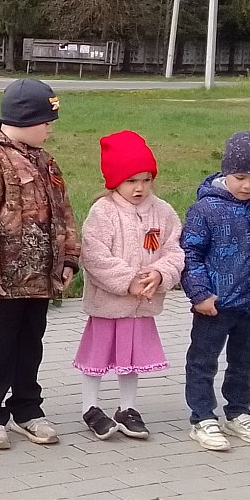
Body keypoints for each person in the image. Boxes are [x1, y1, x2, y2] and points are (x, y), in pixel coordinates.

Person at [0, 78, 80, 451]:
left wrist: (69, 257)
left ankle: (27, 408)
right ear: (24, 118)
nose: (50, 128)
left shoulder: (45, 160)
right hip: (1, 282)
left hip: (39, 278)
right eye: (46, 120)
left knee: (30, 345)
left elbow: (63, 212)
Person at [180, 130, 250, 452]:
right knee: (203, 361)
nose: (247, 186)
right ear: (226, 172)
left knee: (245, 361)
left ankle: (239, 412)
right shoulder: (206, 209)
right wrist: (200, 294)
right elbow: (190, 254)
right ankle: (202, 417)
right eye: (240, 177)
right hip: (215, 304)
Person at [73, 130, 184, 440]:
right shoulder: (103, 211)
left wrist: (159, 274)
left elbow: (175, 251)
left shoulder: (163, 212)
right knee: (97, 356)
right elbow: (94, 255)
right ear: (115, 181)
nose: (139, 188)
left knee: (131, 359)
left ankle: (127, 408)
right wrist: (128, 281)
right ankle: (90, 406)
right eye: (131, 180)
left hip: (141, 305)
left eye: (146, 180)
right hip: (109, 303)